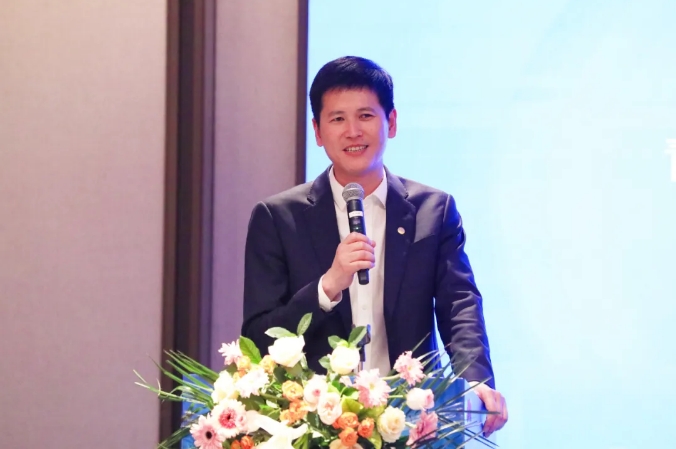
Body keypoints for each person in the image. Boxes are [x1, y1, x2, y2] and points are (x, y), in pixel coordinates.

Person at [242, 56, 507, 437]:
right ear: (318, 131)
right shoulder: (278, 218)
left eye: (365, 116)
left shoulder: (433, 210)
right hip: (313, 427)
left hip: (411, 423)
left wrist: (476, 380)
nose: (353, 131)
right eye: (337, 119)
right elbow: (257, 336)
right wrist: (327, 286)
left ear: (391, 122)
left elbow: (459, 304)